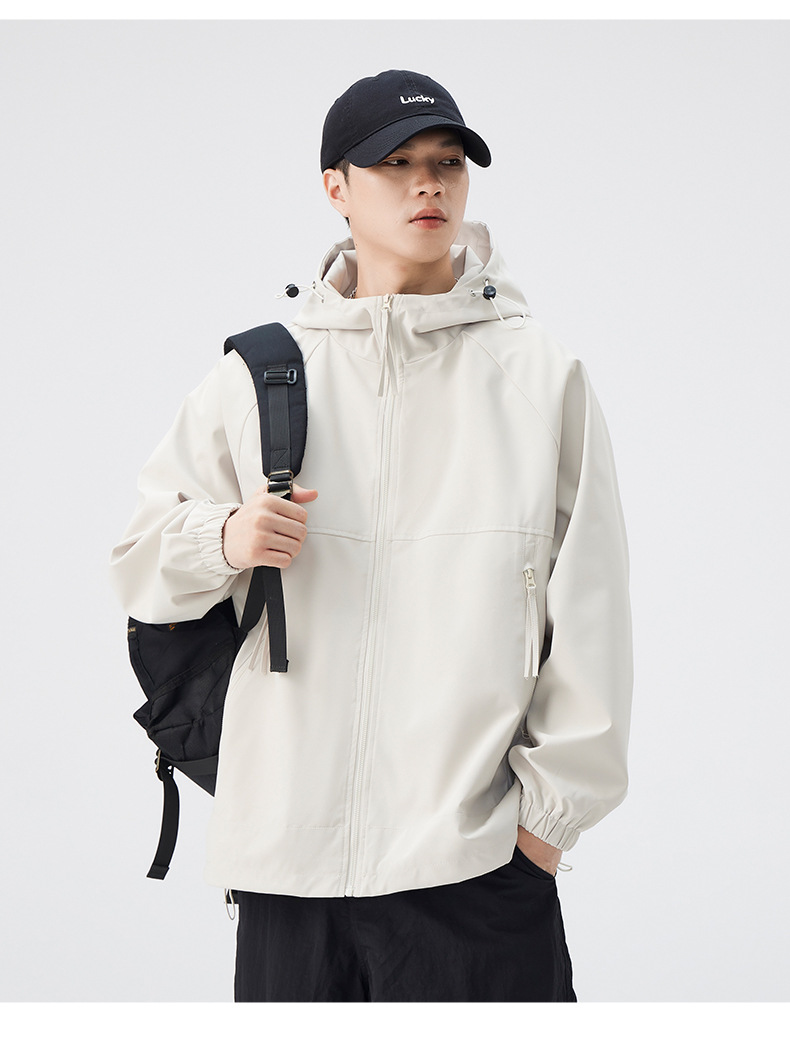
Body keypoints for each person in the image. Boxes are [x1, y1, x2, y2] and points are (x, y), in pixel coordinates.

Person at [108, 69, 633, 1002]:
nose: (428, 183)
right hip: (288, 869)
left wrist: (543, 829)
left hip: (474, 865)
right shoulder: (260, 374)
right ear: (336, 188)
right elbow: (140, 569)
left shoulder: (537, 375)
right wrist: (225, 538)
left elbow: (590, 614)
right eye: (394, 165)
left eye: (447, 162)